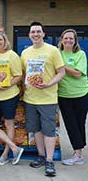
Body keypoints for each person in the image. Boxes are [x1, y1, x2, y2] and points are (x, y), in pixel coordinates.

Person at [21, 22, 65, 177]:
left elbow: (61, 72)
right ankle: (40, 155)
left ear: (43, 34)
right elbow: (24, 74)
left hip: (48, 98)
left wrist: (48, 84)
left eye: (38, 31)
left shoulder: (53, 51)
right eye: (33, 32)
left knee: (49, 131)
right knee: (37, 130)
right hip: (30, 99)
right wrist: (23, 88)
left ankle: (50, 160)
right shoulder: (25, 52)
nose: (35, 34)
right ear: (29, 35)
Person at [0, 31, 24, 166]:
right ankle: (15, 148)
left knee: (8, 124)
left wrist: (6, 85)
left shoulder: (12, 55)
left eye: (0, 40)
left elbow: (19, 75)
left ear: (5, 41)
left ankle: (5, 154)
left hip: (9, 95)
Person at [57, 29, 88, 166]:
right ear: (61, 39)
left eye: (71, 38)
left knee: (79, 123)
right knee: (70, 124)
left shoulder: (80, 54)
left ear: (75, 41)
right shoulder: (57, 54)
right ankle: (78, 152)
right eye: (66, 38)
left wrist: (62, 66)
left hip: (80, 94)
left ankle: (78, 154)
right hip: (64, 95)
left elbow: (77, 74)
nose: (68, 40)